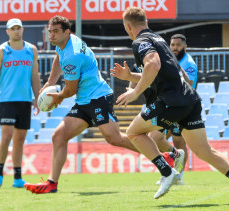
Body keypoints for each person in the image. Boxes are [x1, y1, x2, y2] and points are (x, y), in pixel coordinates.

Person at [113, 7, 229, 204]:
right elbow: (163, 72)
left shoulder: (140, 42)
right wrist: (130, 77)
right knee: (204, 151)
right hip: (190, 99)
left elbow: (152, 65)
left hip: (170, 101)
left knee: (133, 132)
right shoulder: (159, 40)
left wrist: (135, 92)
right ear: (146, 21)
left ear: (128, 26)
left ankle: (167, 171)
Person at [24, 15, 156, 194]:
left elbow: (70, 90)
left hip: (98, 97)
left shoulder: (72, 55)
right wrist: (50, 82)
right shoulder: (66, 44)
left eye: (56, 32)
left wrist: (57, 98)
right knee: (59, 136)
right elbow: (58, 56)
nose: (52, 35)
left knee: (114, 138)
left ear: (66, 32)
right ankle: (52, 183)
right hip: (85, 100)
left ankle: (161, 158)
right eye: (50, 32)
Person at [0, 18, 41, 188]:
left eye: (18, 28)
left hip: (25, 100)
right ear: (7, 32)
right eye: (13, 28)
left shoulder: (31, 50)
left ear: (23, 30)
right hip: (7, 101)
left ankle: (17, 178)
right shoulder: (1, 51)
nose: (16, 31)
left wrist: (38, 98)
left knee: (19, 140)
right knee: (6, 137)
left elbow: (34, 76)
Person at [151, 34, 199, 185]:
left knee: (178, 140)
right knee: (156, 138)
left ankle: (179, 175)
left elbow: (189, 83)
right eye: (172, 45)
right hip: (168, 105)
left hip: (182, 106)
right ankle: (169, 172)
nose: (175, 48)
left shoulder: (188, 63)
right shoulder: (169, 59)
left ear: (185, 46)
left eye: (178, 45)